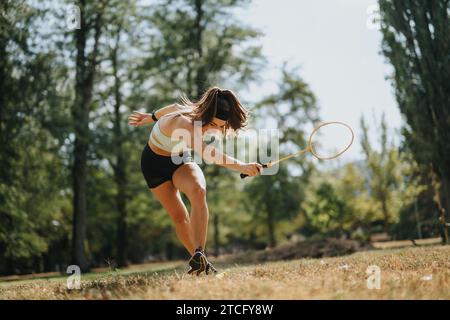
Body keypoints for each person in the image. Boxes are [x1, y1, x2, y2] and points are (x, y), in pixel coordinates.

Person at [128, 87, 262, 275]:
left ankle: (200, 253)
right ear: (206, 115)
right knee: (179, 217)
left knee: (199, 190)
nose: (216, 130)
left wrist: (151, 117)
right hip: (153, 164)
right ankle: (201, 263)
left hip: (180, 160)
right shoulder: (186, 124)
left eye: (221, 127)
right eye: (215, 124)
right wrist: (242, 166)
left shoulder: (194, 116)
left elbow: (172, 106)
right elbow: (208, 153)